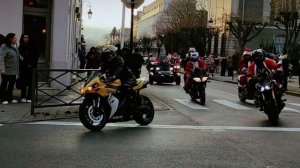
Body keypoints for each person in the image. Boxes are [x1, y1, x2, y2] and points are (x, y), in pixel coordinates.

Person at [18, 34, 39, 103]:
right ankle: (23, 96)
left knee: (31, 83)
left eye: (27, 37)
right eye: (24, 37)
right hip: (23, 67)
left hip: (31, 67)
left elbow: (36, 57)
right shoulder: (20, 46)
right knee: (23, 82)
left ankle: (30, 97)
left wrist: (31, 64)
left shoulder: (34, 46)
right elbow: (19, 57)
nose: (25, 39)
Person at [0, 33, 20, 104]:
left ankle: (10, 98)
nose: (16, 39)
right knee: (4, 84)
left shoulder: (13, 46)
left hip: (14, 70)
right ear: (11, 39)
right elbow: (1, 58)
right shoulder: (4, 46)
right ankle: (3, 98)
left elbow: (15, 55)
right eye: (15, 38)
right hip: (6, 69)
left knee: (11, 84)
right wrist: (2, 68)